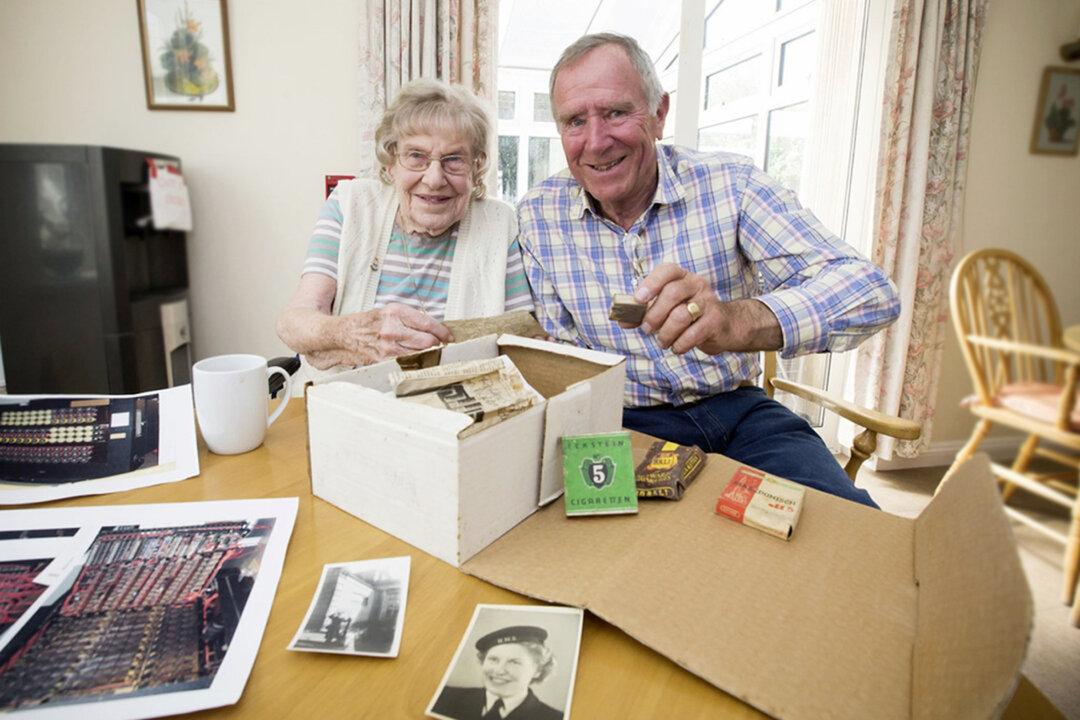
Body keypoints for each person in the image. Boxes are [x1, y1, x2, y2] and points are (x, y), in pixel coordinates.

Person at [517, 33, 901, 508]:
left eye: (616, 112)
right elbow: (561, 351)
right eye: (575, 121)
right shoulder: (538, 214)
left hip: (741, 413)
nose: (596, 141)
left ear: (659, 114)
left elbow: (872, 292)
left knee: (843, 532)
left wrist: (736, 322)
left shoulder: (732, 184)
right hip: (621, 422)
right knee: (626, 565)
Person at [277, 78, 533, 377]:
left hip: (457, 414)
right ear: (390, 163)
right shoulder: (351, 206)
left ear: (476, 170)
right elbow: (293, 322)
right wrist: (353, 334)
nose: (435, 178)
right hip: (344, 403)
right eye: (416, 157)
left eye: (454, 160)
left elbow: (523, 342)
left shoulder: (500, 224)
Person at [431, 625, 562, 720]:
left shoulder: (555, 718)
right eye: (493, 659)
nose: (499, 670)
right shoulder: (444, 697)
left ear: (538, 671)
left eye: (514, 662)